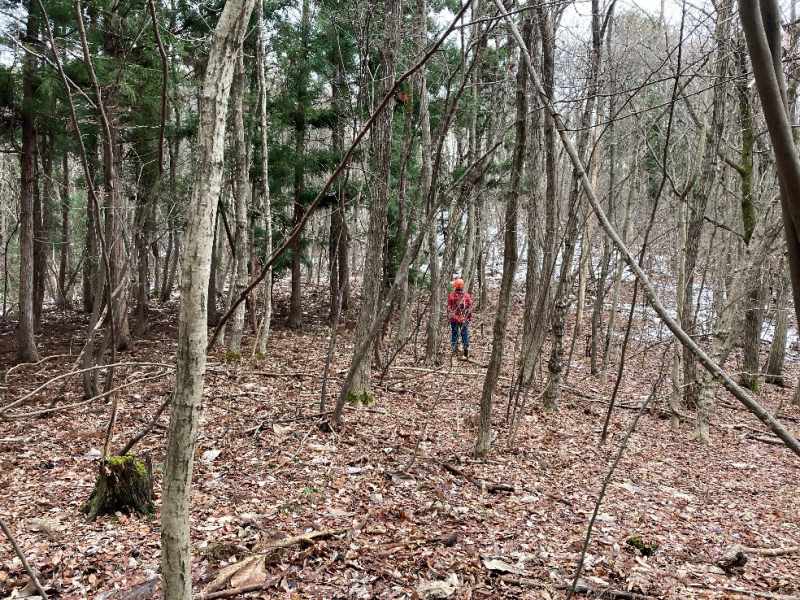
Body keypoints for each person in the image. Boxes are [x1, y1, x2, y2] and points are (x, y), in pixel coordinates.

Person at [447, 278, 473, 359]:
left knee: (454, 334)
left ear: (455, 286)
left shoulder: (451, 296)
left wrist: (450, 316)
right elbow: (470, 308)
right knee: (464, 334)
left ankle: (454, 350)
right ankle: (465, 351)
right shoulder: (467, 296)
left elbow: (449, 308)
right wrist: (468, 318)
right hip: (464, 319)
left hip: (454, 319)